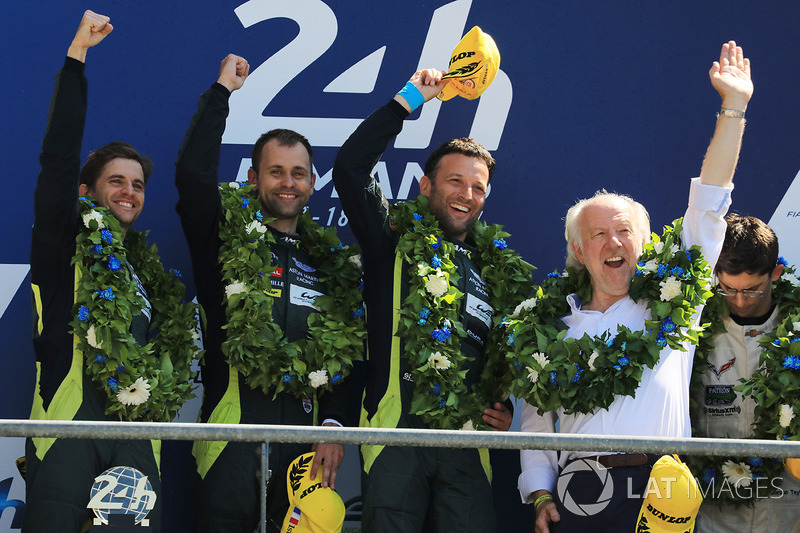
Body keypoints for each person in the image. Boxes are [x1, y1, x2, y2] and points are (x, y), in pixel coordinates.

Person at [517, 41, 753, 532]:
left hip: (661, 489)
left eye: (625, 230)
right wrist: (539, 492)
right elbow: (538, 422)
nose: (614, 241)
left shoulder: (675, 305)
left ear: (643, 244)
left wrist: (734, 108)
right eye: (599, 234)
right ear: (580, 252)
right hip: (578, 491)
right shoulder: (548, 326)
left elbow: (708, 205)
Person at [332, 68, 530, 533]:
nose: (467, 194)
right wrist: (408, 100)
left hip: (466, 445)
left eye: (478, 187)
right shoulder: (390, 239)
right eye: (455, 181)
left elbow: (498, 350)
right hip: (394, 436)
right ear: (425, 187)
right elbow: (350, 168)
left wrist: (502, 404)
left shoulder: (493, 266)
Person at [25, 10, 196, 532]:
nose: (129, 192)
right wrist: (76, 59)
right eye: (116, 181)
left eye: (138, 184)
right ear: (87, 193)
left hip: (135, 438)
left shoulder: (145, 275)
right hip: (67, 432)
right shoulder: (63, 245)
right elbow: (57, 159)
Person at [175, 54, 362, 532]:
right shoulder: (224, 241)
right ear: (254, 178)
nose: (287, 183)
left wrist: (334, 426)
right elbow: (193, 179)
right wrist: (221, 94)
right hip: (230, 445)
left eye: (298, 173)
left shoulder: (330, 265)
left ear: (313, 183)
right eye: (275, 172)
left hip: (306, 452)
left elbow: (346, 359)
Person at [691, 214, 800, 532]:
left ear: (776, 273)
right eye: (727, 289)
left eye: (751, 290)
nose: (739, 300)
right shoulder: (693, 329)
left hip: (788, 510)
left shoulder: (795, 327)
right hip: (712, 511)